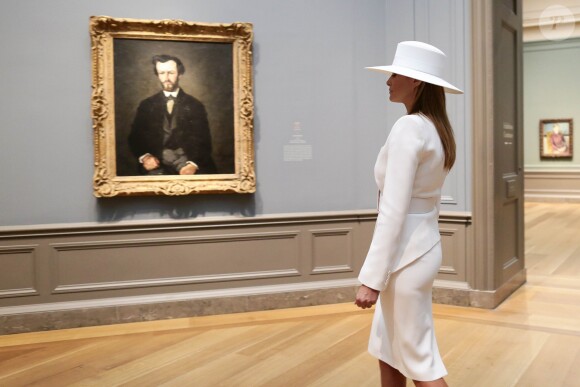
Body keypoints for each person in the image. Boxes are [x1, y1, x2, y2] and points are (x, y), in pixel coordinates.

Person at [354, 41, 463, 387]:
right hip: (420, 250)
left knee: (419, 359)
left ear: (415, 82)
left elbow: (393, 210)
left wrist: (371, 278)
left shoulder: (409, 128)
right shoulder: (436, 128)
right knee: (389, 349)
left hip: (404, 259)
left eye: (395, 74)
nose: (388, 81)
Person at [128, 54, 217, 175]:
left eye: (170, 73)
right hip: (157, 164)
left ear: (180, 74)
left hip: (187, 163)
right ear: (158, 75)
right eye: (162, 73)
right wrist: (146, 157)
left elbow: (204, 141)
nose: (166, 78)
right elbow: (135, 137)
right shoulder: (146, 105)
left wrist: (193, 164)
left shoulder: (195, 105)